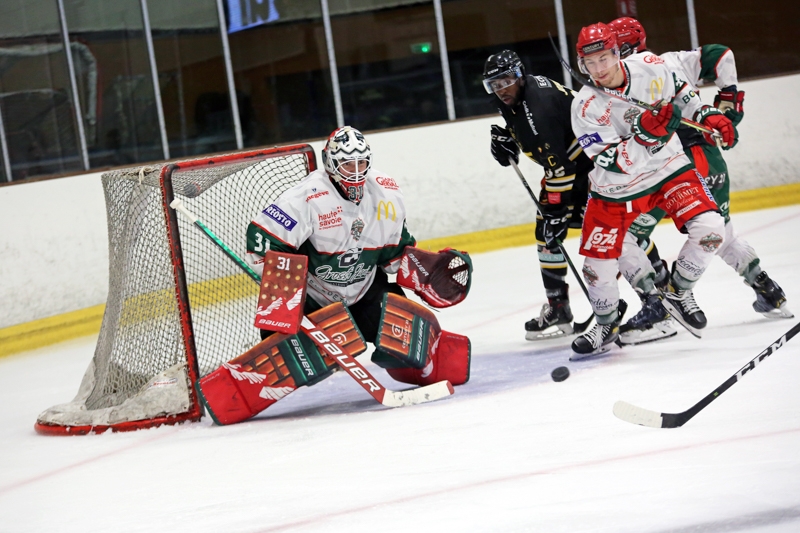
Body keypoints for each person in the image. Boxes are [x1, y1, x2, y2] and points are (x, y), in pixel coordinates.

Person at [608, 17, 793, 344]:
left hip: (669, 167)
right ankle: (767, 289)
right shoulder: (671, 61)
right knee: (719, 229)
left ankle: (660, 308)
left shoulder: (628, 79)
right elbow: (721, 55)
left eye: (613, 50)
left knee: (627, 235)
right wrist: (729, 99)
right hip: (708, 160)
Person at [244, 126, 471, 386]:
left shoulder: (386, 192)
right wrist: (287, 304)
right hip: (315, 300)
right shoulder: (306, 197)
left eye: (360, 163)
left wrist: (426, 271)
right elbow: (263, 241)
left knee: (408, 333)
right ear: (330, 163)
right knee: (287, 358)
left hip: (364, 290)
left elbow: (393, 254)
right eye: (347, 164)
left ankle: (414, 368)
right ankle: (266, 365)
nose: (355, 171)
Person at [568, 22, 729, 355]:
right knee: (597, 268)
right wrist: (645, 135)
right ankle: (606, 323)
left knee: (712, 228)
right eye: (590, 63)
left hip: (669, 170)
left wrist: (706, 113)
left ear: (617, 53)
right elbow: (610, 161)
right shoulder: (584, 106)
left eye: (604, 58)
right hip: (615, 189)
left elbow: (680, 90)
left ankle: (678, 290)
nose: (598, 69)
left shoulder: (650, 65)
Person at [483, 49, 593, 340]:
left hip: (596, 169)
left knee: (608, 234)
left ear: (520, 74)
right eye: (494, 84)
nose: (501, 89)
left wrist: (556, 211)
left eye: (506, 81)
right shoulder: (515, 96)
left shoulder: (539, 105)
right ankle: (559, 308)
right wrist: (509, 141)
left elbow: (560, 166)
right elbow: (537, 137)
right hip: (571, 166)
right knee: (546, 234)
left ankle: (656, 294)